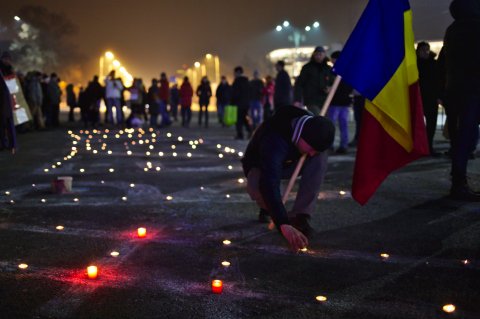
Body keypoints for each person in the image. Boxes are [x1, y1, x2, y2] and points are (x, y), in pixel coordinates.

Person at [242, 105, 335, 251]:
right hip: (260, 165)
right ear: (302, 135)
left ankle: (301, 216)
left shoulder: (310, 128)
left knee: (320, 157)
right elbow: (270, 180)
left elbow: (314, 150)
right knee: (258, 188)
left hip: (290, 161)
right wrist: (283, 223)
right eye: (311, 148)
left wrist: (314, 150)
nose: (311, 154)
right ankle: (268, 208)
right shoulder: (274, 138)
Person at [443, 0, 480, 201]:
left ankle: (458, 182)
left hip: (454, 91)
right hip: (473, 90)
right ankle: (459, 185)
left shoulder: (452, 30)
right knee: (467, 137)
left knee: (460, 140)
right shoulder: (475, 27)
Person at [417, 41, 441, 156]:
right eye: (423, 50)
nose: (426, 52)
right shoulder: (416, 64)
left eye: (427, 50)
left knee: (431, 125)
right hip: (420, 98)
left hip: (430, 98)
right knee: (419, 125)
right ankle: (421, 147)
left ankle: (428, 147)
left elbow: (438, 81)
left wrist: (439, 96)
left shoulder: (433, 64)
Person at [327, 51, 353, 154]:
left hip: (339, 102)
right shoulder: (333, 71)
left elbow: (348, 87)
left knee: (340, 124)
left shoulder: (339, 71)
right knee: (338, 125)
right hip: (338, 102)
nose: (333, 61)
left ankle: (341, 145)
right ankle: (337, 145)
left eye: (334, 59)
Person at [294, 46, 333, 115]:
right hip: (311, 100)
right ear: (313, 55)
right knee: (318, 117)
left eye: (320, 54)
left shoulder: (328, 68)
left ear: (324, 55)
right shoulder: (307, 68)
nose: (318, 56)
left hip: (325, 100)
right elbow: (299, 84)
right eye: (316, 54)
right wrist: (297, 99)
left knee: (324, 120)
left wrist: (330, 88)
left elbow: (332, 82)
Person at [231, 66, 251, 139]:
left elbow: (235, 93)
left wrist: (232, 102)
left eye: (235, 72)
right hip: (246, 104)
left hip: (238, 104)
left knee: (239, 120)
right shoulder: (246, 81)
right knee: (244, 118)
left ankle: (240, 134)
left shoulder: (237, 81)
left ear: (238, 72)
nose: (234, 74)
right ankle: (249, 131)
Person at [0, 70, 16, 153]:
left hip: (4, 109)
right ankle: (8, 144)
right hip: (5, 109)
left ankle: (8, 144)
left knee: (5, 127)